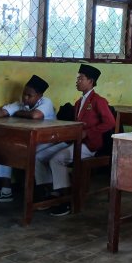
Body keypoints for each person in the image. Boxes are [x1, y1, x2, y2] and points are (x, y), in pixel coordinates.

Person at [41, 64, 115, 217]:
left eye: (81, 78)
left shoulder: (98, 101)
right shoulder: (78, 103)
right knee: (41, 156)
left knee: (56, 160)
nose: (77, 81)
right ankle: (51, 193)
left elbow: (110, 122)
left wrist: (88, 132)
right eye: (78, 78)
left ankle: (66, 199)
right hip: (76, 142)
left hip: (90, 145)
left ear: (91, 81)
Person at [0, 75, 54, 203]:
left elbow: (35, 115)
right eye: (24, 94)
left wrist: (17, 113)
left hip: (48, 142)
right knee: (4, 148)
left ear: (39, 96)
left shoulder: (46, 102)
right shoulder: (22, 103)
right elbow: (5, 110)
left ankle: (46, 192)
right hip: (30, 141)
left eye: (29, 95)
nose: (25, 98)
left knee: (33, 155)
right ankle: (5, 190)